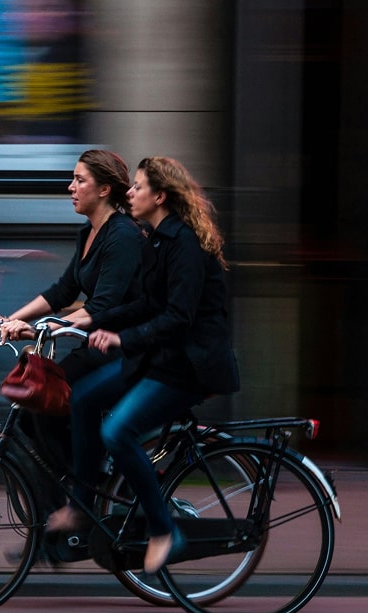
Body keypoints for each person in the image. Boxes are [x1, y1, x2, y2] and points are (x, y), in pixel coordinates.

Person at [64, 156, 241, 574]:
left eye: (138, 187)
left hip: (189, 367)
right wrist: (92, 318)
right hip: (161, 358)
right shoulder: (157, 238)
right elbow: (145, 303)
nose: (130, 193)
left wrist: (121, 338)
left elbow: (178, 317)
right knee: (84, 399)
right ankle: (81, 507)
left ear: (160, 196)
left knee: (118, 431)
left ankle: (166, 530)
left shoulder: (185, 245)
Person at [0, 148, 145, 546]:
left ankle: (83, 499)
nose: (70, 188)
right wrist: (9, 320)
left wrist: (37, 329)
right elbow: (63, 291)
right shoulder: (88, 233)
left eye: (80, 180)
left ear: (105, 189)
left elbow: (102, 308)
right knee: (34, 411)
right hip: (95, 347)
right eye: (72, 179)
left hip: (127, 350)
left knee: (59, 402)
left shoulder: (122, 237)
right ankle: (62, 514)